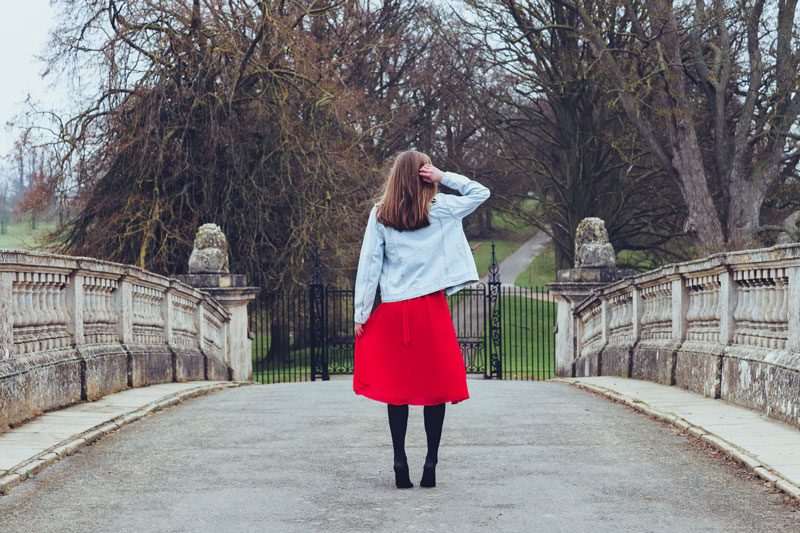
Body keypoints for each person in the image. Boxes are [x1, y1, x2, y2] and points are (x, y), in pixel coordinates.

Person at [352, 150, 490, 489]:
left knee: (396, 391)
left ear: (395, 177)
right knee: (435, 389)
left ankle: (400, 459)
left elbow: (369, 264)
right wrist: (444, 176)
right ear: (423, 175)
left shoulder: (381, 214)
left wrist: (361, 313)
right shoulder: (440, 208)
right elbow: (480, 193)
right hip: (431, 308)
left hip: (396, 310)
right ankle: (430, 460)